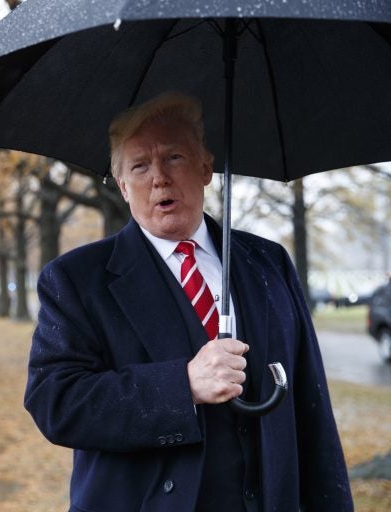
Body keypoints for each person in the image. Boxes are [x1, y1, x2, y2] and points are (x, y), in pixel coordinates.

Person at [23, 92, 352, 511]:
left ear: (206, 167)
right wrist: (183, 386)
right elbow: (56, 402)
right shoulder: (75, 279)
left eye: (174, 157)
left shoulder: (269, 262)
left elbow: (311, 406)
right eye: (139, 166)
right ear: (123, 186)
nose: (158, 177)